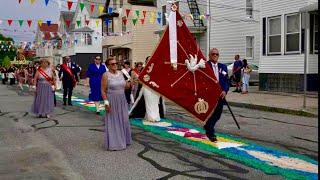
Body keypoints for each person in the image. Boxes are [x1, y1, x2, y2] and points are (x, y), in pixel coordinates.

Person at [101, 57, 132, 151]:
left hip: (122, 100)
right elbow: (103, 90)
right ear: (108, 66)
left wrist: (130, 82)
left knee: (124, 120)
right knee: (114, 121)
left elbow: (125, 87)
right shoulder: (105, 75)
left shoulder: (121, 73)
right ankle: (115, 143)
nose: (115, 65)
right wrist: (106, 103)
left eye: (116, 63)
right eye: (112, 64)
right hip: (112, 100)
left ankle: (124, 139)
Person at [129, 56, 165, 122]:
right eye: (148, 60)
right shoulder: (143, 69)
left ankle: (157, 114)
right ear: (146, 61)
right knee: (141, 100)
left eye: (150, 59)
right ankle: (139, 113)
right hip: (144, 87)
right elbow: (139, 78)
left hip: (154, 88)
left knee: (156, 102)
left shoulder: (156, 68)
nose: (149, 61)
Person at [204, 48, 229, 142]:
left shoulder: (223, 67)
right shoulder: (205, 66)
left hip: (220, 95)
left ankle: (208, 126)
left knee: (217, 114)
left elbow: (227, 81)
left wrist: (225, 91)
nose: (215, 55)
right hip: (209, 95)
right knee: (209, 113)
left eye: (217, 54)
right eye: (213, 54)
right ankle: (210, 132)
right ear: (209, 55)